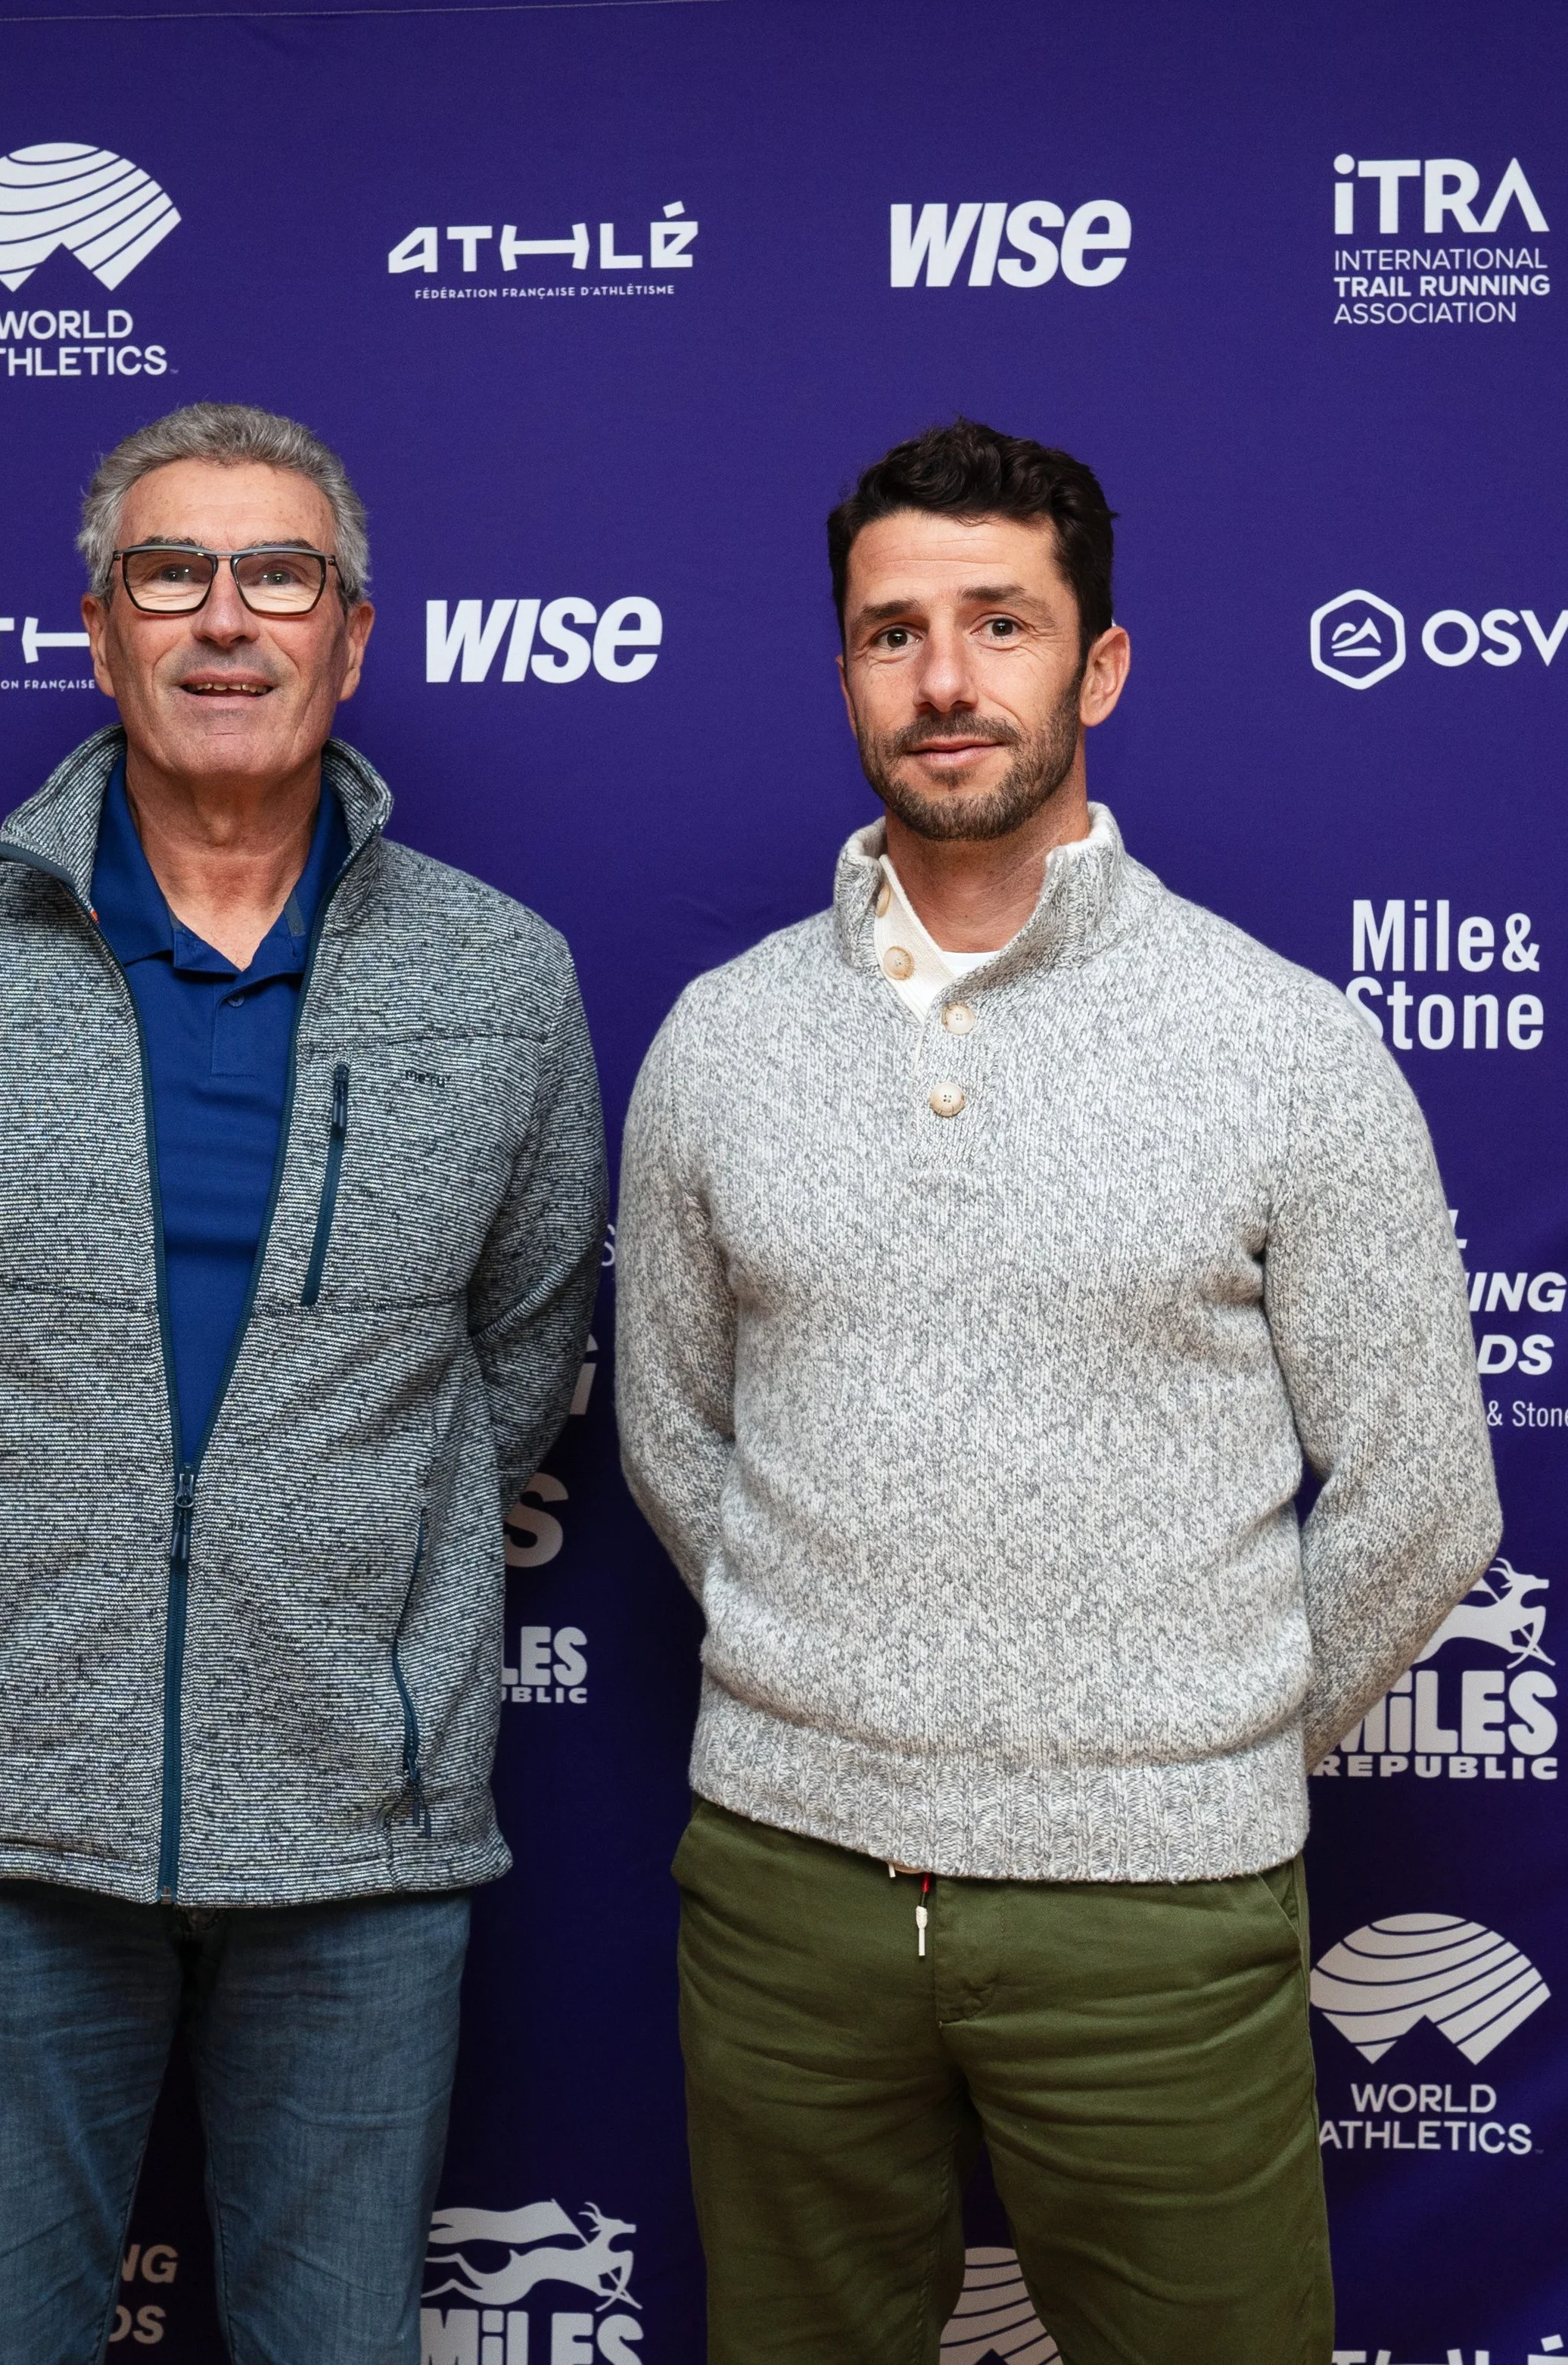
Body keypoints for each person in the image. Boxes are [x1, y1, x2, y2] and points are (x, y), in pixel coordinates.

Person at [614, 417, 1499, 2365]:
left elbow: (1424, 1496)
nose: (942, 680)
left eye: (997, 623)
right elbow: (674, 1433)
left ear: (1093, 666)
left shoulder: (1283, 1046)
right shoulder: (720, 1039)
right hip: (786, 1893)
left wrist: (1180, 1737)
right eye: (889, 632)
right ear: (841, 668)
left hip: (1156, 1912)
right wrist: (833, 1674)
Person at [0, 400, 607, 2365]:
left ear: (352, 633)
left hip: (360, 1829)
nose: (224, 620)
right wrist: (7, 1574)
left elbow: (518, 1348)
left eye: (278, 575)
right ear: (100, 629)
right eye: (173, 572)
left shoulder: (503, 977)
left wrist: (331, 1575)